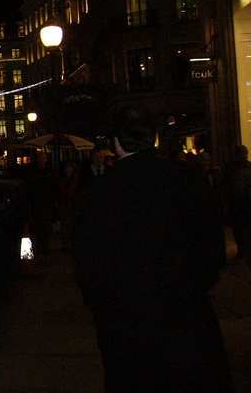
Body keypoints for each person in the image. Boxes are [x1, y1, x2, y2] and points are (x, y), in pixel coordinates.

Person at [73, 107, 232, 392]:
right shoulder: (188, 179)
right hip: (185, 310)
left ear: (116, 143)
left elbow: (87, 260)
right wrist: (195, 285)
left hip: (125, 317)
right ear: (153, 138)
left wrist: (101, 303)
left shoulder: (97, 192)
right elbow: (212, 246)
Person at [222, 144, 251, 260]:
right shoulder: (230, 168)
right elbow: (225, 184)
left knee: (247, 225)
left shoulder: (249, 167)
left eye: (244, 154)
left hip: (246, 199)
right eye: (240, 154)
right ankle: (242, 247)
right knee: (237, 226)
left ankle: (246, 247)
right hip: (235, 200)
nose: (243, 156)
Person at [24, 150, 56, 254]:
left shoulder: (49, 171)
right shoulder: (33, 172)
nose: (42, 161)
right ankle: (38, 245)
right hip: (36, 202)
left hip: (46, 202)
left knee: (46, 225)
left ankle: (45, 245)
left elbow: (53, 186)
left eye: (44, 159)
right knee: (37, 224)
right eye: (40, 159)